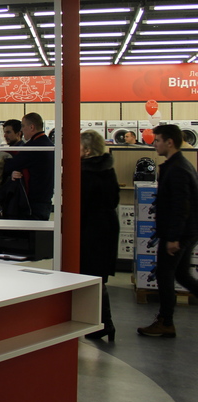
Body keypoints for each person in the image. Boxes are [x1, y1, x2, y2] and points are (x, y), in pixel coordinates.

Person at [138, 124, 198, 338]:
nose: (154, 144)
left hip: (179, 233)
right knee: (181, 274)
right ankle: (165, 320)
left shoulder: (177, 169)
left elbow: (180, 207)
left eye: (157, 140)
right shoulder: (179, 165)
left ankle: (165, 321)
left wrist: (173, 238)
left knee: (164, 274)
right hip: (186, 231)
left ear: (169, 142)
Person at [79, 130, 120, 341]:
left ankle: (102, 323)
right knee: (98, 277)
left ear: (87, 150)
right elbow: (114, 199)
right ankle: (104, 323)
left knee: (89, 275)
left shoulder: (84, 173)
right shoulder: (108, 169)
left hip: (90, 229)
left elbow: (81, 206)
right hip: (108, 226)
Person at [2, 113, 54, 220]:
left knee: (31, 229)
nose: (22, 130)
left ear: (31, 127)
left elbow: (10, 166)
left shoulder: (33, 147)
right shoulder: (49, 144)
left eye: (23, 126)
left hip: (33, 202)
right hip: (46, 198)